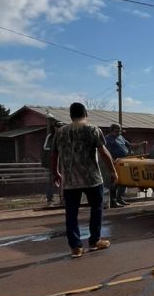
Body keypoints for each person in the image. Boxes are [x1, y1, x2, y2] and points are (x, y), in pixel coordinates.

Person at [52, 102, 118, 258]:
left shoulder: (60, 132)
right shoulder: (93, 129)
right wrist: (113, 170)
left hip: (70, 180)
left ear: (70, 116)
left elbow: (54, 154)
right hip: (92, 178)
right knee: (96, 208)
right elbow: (103, 152)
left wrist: (56, 172)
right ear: (86, 114)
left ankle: (76, 248)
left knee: (71, 213)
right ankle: (94, 241)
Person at [105, 123, 131, 207]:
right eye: (116, 131)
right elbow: (106, 152)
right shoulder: (107, 139)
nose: (118, 133)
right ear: (111, 131)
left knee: (124, 180)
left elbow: (129, 145)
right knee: (115, 181)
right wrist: (111, 162)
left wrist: (141, 144)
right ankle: (113, 201)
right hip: (114, 162)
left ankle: (120, 198)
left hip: (123, 162)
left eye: (120, 131)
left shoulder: (120, 137)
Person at [41, 119, 64, 208]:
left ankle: (63, 198)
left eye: (60, 127)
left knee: (64, 179)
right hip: (53, 161)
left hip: (63, 161)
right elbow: (45, 148)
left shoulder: (65, 135)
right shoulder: (50, 136)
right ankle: (49, 198)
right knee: (51, 179)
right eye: (57, 127)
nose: (58, 128)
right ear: (54, 127)